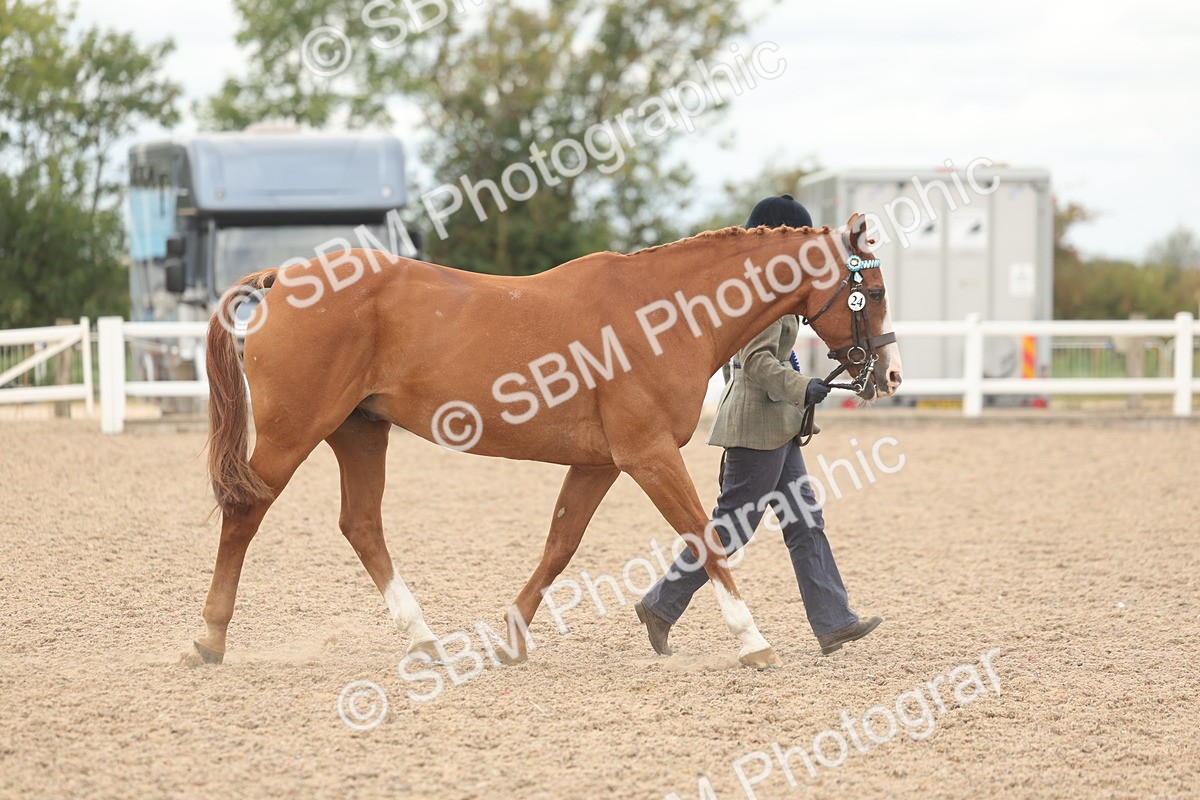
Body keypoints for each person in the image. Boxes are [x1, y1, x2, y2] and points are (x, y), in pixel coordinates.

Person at [633, 194, 881, 657]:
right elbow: (755, 361)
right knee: (733, 526)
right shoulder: (762, 300)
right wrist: (801, 387)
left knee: (805, 522)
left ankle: (834, 622)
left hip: (779, 425)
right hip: (755, 426)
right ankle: (660, 604)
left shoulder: (779, 295)